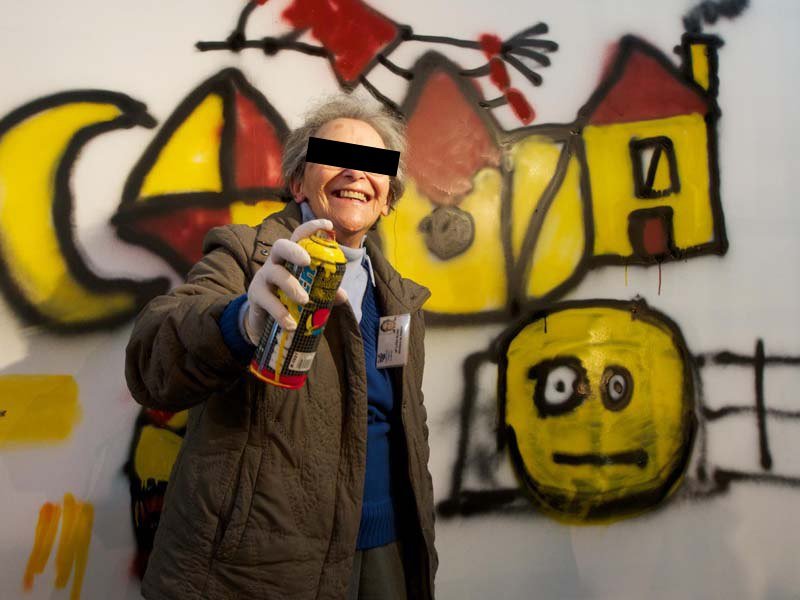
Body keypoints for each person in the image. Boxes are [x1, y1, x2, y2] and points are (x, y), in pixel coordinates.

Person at [125, 95, 437, 599]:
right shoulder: (247, 257)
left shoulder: (400, 299)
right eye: (336, 156)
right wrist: (238, 321)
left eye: (373, 164)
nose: (356, 172)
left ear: (386, 199)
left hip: (387, 553)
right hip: (262, 569)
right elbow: (151, 360)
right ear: (297, 183)